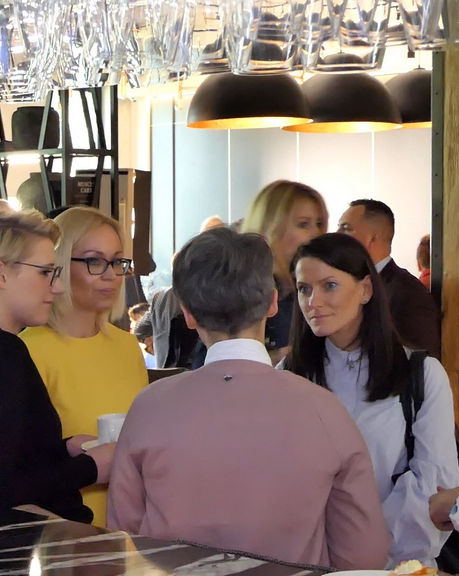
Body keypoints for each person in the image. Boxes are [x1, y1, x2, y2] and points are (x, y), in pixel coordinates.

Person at [108, 228, 390, 569]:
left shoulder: (149, 408)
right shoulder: (325, 411)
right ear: (272, 303)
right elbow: (363, 556)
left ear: (189, 314)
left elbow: (122, 539)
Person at [284, 232, 459, 565]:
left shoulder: (422, 375)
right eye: (304, 289)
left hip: (398, 563)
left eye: (329, 286)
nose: (313, 301)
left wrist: (363, 548)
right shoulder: (288, 376)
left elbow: (435, 487)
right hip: (309, 561)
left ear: (365, 289)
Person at [0, 211, 114, 523]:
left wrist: (63, 449)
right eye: (45, 273)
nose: (57, 288)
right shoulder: (1, 351)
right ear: (0, 273)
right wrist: (91, 467)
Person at [20, 206, 148, 527]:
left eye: (117, 262)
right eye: (94, 261)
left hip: (132, 523)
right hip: (63, 530)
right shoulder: (28, 350)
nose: (110, 274)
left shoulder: (126, 346)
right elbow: (16, 472)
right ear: (60, 266)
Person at [240, 180, 328, 365]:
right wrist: (275, 359)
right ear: (270, 226)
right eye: (303, 224)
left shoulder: (312, 287)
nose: (316, 233)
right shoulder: (241, 291)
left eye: (319, 224)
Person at [339, 200, 440, 359]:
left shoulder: (409, 294)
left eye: (346, 228)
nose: (337, 235)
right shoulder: (349, 285)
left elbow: (421, 362)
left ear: (372, 238)